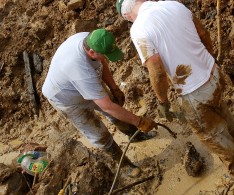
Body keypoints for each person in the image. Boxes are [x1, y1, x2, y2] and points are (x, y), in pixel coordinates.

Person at [116, 0, 234, 179]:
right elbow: (203, 33)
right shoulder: (174, 4)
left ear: (127, 15)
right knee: (224, 115)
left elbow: (157, 73)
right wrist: (209, 59)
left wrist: (163, 101)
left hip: (193, 91)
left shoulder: (138, 29)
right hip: (213, 73)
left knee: (213, 136)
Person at [42, 28, 157, 178]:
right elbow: (107, 106)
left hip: (81, 82)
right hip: (66, 99)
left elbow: (101, 63)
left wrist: (114, 88)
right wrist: (139, 121)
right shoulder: (80, 69)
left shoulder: (90, 39)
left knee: (115, 107)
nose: (106, 58)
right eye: (105, 55)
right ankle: (124, 166)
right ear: (91, 53)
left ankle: (134, 136)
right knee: (99, 134)